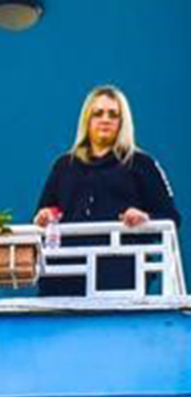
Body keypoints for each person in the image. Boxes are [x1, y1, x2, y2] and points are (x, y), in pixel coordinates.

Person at [34, 85, 180, 297]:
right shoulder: (64, 165)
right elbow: (44, 212)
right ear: (87, 120)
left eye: (113, 114)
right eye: (98, 113)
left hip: (122, 281)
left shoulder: (141, 164)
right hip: (64, 281)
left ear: (122, 122)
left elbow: (171, 218)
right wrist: (45, 215)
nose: (105, 119)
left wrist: (145, 218)